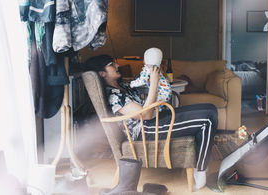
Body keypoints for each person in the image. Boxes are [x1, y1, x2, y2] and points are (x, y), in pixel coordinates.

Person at [84, 55, 217, 190]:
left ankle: (199, 164)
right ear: (102, 73)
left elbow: (148, 100)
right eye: (111, 64)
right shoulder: (114, 96)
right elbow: (145, 115)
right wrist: (154, 82)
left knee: (211, 108)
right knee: (206, 119)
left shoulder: (123, 86)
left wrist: (159, 81)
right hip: (145, 130)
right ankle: (201, 169)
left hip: (154, 120)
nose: (117, 66)